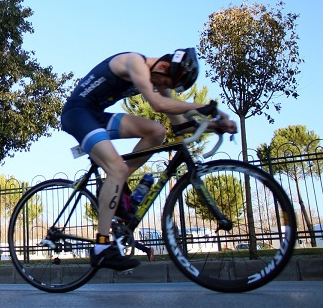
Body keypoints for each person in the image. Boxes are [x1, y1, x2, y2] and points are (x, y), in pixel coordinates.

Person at [61, 48, 236, 271]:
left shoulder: (160, 77)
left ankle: (116, 183)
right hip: (77, 114)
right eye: (165, 85)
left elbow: (181, 125)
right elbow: (159, 105)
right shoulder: (135, 63)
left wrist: (214, 125)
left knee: (156, 132)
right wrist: (206, 108)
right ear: (163, 67)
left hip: (96, 115)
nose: (163, 89)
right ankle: (102, 248)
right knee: (116, 168)